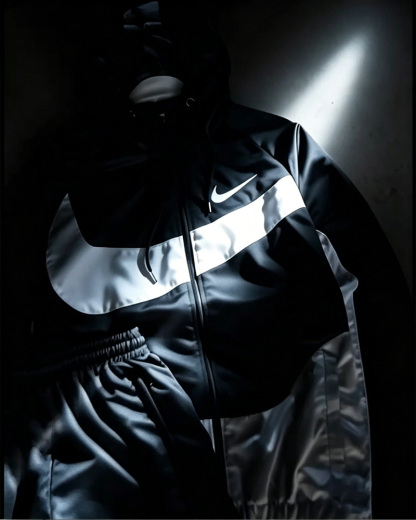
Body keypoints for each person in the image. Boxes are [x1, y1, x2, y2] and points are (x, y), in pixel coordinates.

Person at [3, 1, 414, 518]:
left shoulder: (278, 151)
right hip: (152, 484)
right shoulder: (59, 180)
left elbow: (376, 295)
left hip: (306, 472)